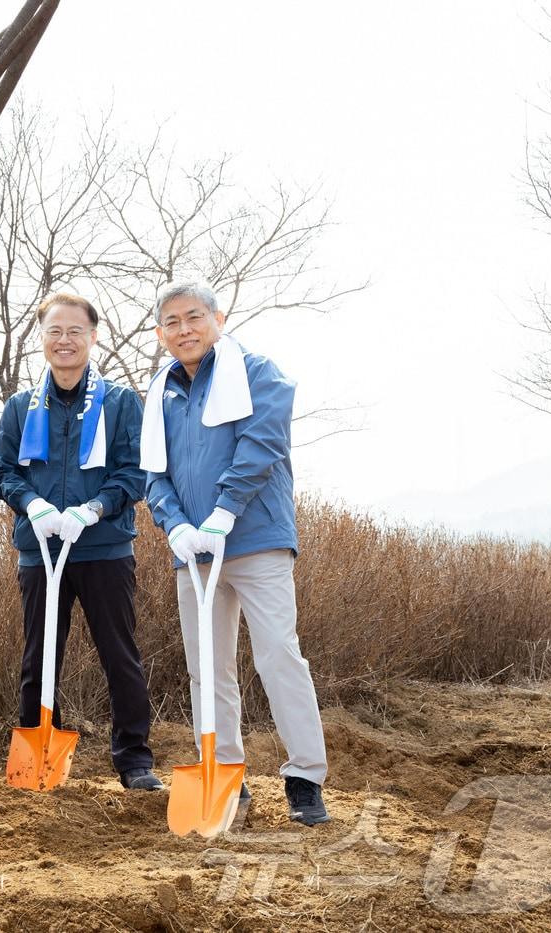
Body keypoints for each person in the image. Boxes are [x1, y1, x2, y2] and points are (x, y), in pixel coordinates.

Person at [141, 280, 330, 826]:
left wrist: (225, 510)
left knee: (278, 656)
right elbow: (153, 472)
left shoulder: (256, 372)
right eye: (172, 322)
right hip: (193, 553)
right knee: (208, 669)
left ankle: (304, 778)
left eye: (194, 317)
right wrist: (175, 526)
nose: (184, 330)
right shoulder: (161, 391)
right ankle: (227, 775)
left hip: (254, 540)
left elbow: (262, 443)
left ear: (218, 319)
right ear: (160, 334)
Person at [0, 291, 162, 791]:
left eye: (75, 332)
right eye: (54, 332)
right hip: (40, 549)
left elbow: (136, 472)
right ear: (41, 338)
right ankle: (40, 757)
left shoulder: (122, 402)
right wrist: (33, 505)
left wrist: (95, 508)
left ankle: (134, 761)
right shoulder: (22, 407)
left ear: (93, 335)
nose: (65, 341)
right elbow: (2, 471)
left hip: (104, 548)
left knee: (120, 655)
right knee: (38, 657)